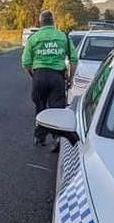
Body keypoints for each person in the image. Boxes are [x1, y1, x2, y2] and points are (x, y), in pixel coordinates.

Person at [21, 10, 78, 151]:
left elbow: (26, 63)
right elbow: (74, 59)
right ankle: (57, 138)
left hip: (39, 75)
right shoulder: (63, 36)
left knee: (40, 108)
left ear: (40, 22)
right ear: (54, 22)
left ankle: (39, 137)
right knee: (57, 109)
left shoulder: (33, 38)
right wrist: (70, 78)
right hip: (57, 77)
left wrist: (33, 77)